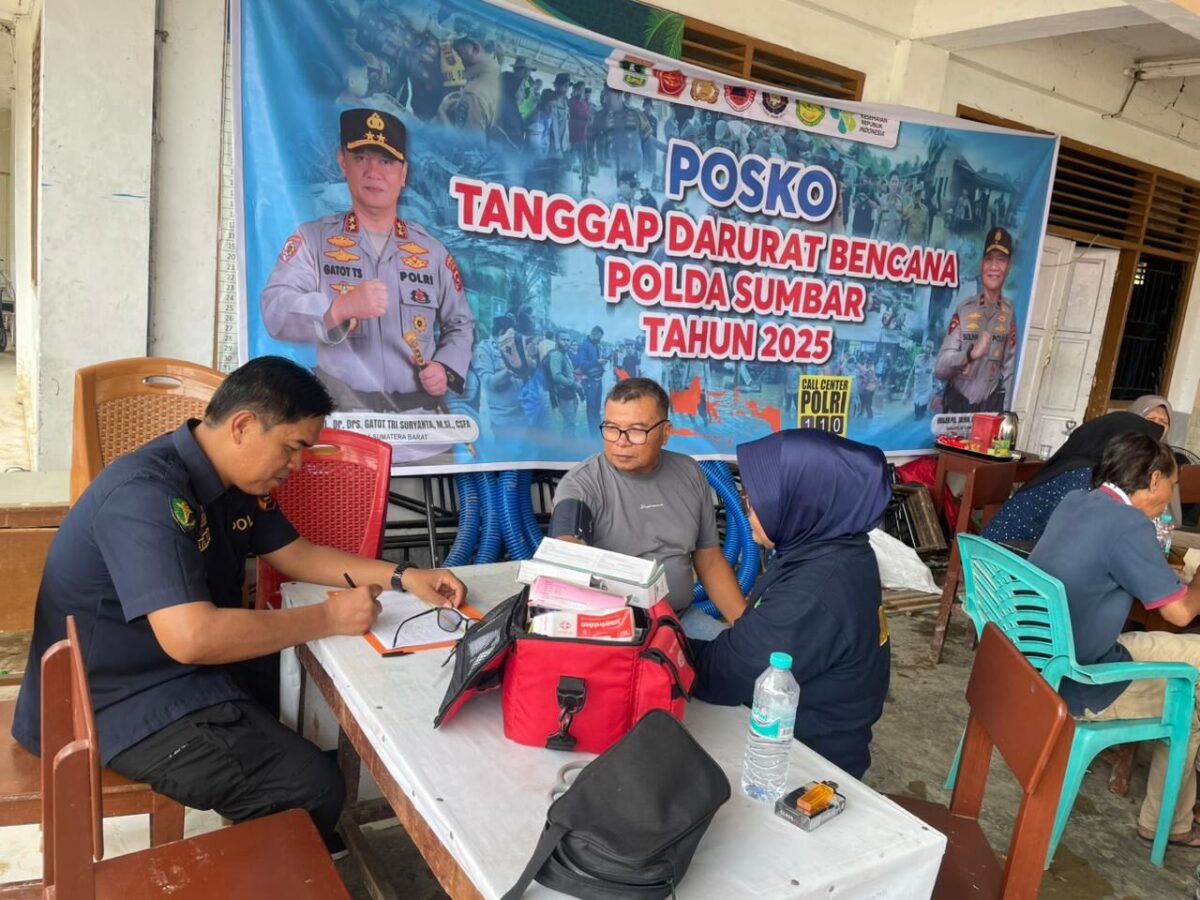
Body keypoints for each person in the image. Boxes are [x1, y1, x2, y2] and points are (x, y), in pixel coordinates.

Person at [10, 357, 467, 851]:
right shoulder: (146, 495)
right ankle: (280, 863)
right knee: (310, 785)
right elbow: (193, 638)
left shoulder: (231, 483)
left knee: (314, 694)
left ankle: (284, 842)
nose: (297, 466)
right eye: (292, 448)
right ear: (244, 426)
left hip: (166, 671)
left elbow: (296, 554)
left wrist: (405, 576)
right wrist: (328, 617)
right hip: (110, 702)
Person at [1030, 432, 1200, 847]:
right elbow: (1179, 613)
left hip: (1034, 659)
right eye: (1172, 487)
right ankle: (1168, 824)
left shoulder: (1076, 501)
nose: (1171, 498)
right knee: (1193, 701)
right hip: (1082, 679)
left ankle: (1171, 816)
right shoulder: (1129, 525)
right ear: (1154, 479)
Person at [260, 109, 475, 434]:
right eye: (362, 157)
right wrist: (337, 309)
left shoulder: (432, 251)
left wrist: (446, 368)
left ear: (404, 173)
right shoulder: (313, 240)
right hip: (341, 423)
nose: (374, 171)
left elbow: (460, 323)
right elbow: (275, 310)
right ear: (343, 163)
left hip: (419, 429)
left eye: (387, 162)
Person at [691, 429, 892, 778]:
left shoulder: (815, 591)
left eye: (756, 500)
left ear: (803, 503)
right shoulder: (834, 546)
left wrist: (650, 640)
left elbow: (722, 676)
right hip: (811, 721)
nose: (746, 509)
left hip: (801, 761)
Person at [548, 378, 746, 622]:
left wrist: (748, 630)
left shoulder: (689, 473)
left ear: (665, 433)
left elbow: (710, 561)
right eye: (611, 428)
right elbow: (566, 547)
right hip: (615, 627)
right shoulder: (581, 483)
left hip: (681, 618)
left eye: (636, 431)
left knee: (743, 657)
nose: (621, 441)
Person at [983, 411, 1166, 544]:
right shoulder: (1081, 476)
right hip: (1002, 568)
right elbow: (1073, 540)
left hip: (1011, 558)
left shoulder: (1082, 468)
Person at [934, 228, 1018, 413]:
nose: (994, 267)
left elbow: (1009, 370)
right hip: (958, 404)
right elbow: (940, 369)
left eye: (1001, 260)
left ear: (1009, 266)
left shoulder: (1009, 313)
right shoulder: (964, 309)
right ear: (981, 264)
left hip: (989, 408)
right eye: (989, 259)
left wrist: (1003, 415)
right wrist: (969, 355)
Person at [546, 330, 583, 438]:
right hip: (564, 394)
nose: (566, 342)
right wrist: (573, 384)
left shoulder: (564, 354)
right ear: (556, 340)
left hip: (569, 392)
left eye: (568, 340)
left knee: (570, 422)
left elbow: (567, 372)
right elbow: (556, 376)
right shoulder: (556, 355)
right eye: (563, 340)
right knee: (569, 424)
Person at [577, 326, 606, 433]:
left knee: (597, 408)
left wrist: (601, 362)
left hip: (598, 379)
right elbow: (582, 364)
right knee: (591, 408)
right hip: (590, 381)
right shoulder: (584, 345)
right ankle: (593, 434)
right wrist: (597, 362)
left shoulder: (595, 345)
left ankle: (598, 430)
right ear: (594, 333)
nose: (600, 339)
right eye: (599, 337)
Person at [908, 341, 936, 419]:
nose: (928, 349)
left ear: (932, 349)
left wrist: (939, 386)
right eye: (927, 346)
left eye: (930, 347)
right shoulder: (918, 358)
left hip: (927, 392)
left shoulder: (934, 361)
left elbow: (935, 376)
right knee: (916, 412)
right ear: (924, 347)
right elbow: (911, 374)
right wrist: (906, 392)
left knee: (921, 414)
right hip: (917, 391)